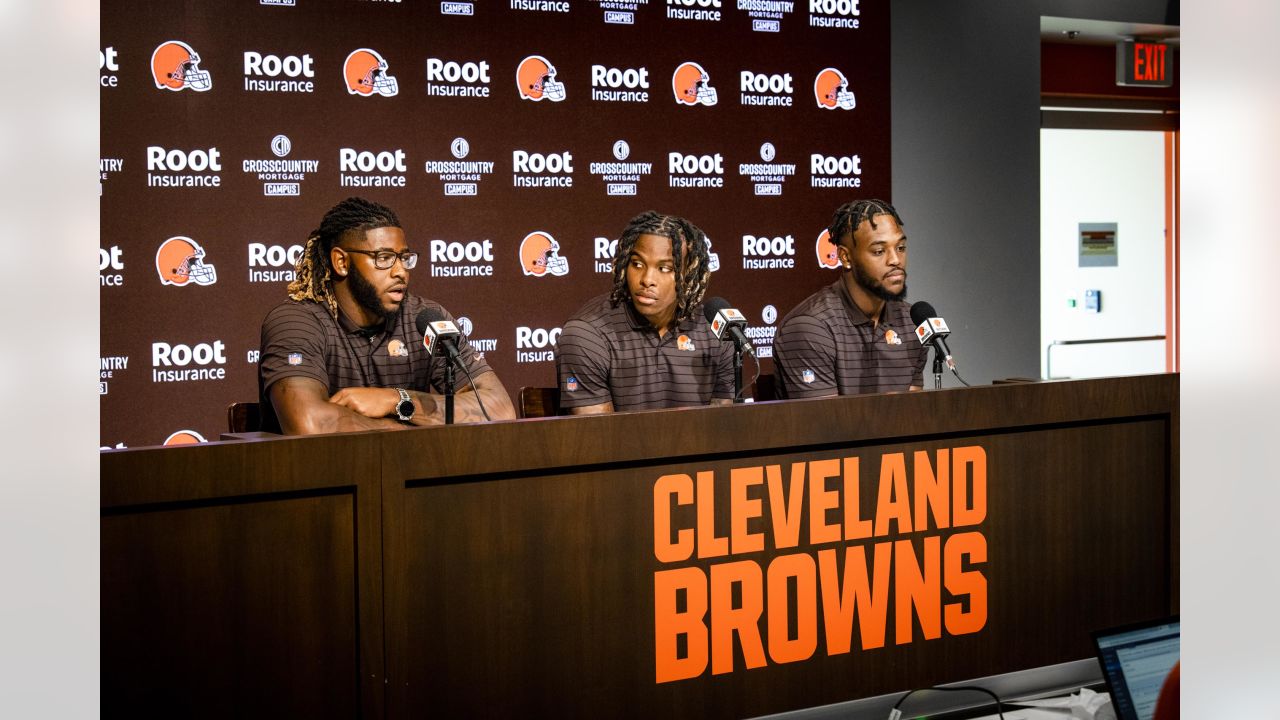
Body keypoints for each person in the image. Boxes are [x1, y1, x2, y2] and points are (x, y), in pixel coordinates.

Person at [258, 197, 515, 435]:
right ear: (341, 262)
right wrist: (407, 433)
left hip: (411, 478)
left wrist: (397, 400)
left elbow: (500, 410)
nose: (400, 271)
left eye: (404, 258)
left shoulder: (425, 319)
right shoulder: (296, 322)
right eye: (384, 258)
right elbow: (309, 423)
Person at [555, 211, 736, 414]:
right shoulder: (586, 334)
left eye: (665, 268)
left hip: (699, 446)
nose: (647, 279)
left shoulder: (717, 328)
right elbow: (600, 438)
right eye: (637, 264)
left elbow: (723, 428)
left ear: (690, 274)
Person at [773, 198, 928, 398]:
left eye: (901, 248)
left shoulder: (912, 322)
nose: (895, 260)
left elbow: (913, 417)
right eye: (879, 251)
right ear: (846, 258)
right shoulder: (810, 327)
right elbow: (824, 424)